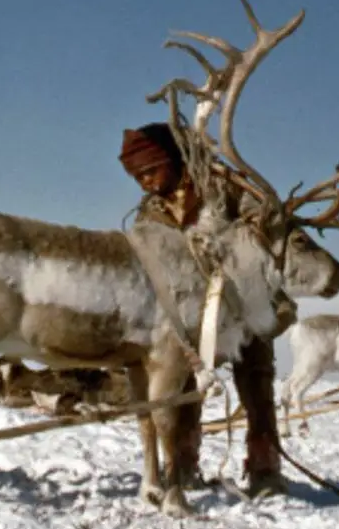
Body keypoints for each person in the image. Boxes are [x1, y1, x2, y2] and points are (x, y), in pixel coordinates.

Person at [119, 122, 292, 497]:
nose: (145, 182)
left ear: (173, 159)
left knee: (257, 384)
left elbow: (265, 225)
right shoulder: (150, 214)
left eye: (151, 170)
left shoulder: (225, 186)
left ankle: (265, 469)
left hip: (246, 305)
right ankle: (182, 465)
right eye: (137, 176)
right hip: (193, 317)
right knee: (183, 385)